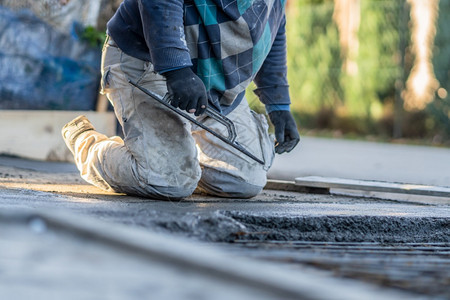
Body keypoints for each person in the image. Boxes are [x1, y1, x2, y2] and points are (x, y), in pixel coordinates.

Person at [61, 0, 300, 199]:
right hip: (149, 63)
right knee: (168, 182)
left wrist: (278, 104)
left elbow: (273, 23)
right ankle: (85, 142)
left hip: (214, 81)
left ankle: (178, 156)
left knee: (245, 181)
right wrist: (177, 69)